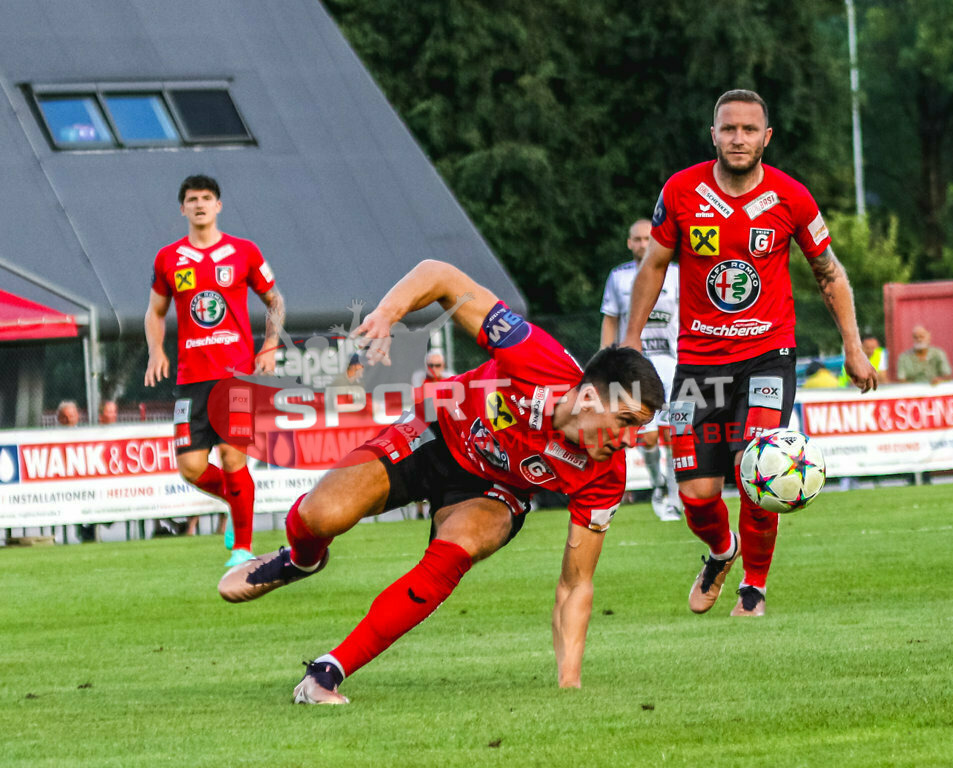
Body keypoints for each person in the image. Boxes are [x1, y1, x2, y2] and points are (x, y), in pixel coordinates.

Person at [218, 259, 664, 704]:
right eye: (625, 420)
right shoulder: (536, 356)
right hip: (434, 431)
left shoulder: (606, 473)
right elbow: (441, 276)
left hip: (495, 490)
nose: (630, 440)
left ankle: (327, 672)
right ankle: (302, 560)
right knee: (320, 515)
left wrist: (571, 687)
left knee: (462, 545)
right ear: (588, 396)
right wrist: (388, 314)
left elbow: (576, 583)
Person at [623, 89, 878, 618]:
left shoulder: (792, 198)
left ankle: (753, 588)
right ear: (712, 133)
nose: (738, 138)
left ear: (766, 137)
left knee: (756, 469)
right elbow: (653, 267)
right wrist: (629, 344)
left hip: (768, 357)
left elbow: (829, 272)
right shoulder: (682, 191)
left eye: (748, 129)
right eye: (728, 128)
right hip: (697, 364)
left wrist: (854, 347)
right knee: (694, 492)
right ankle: (721, 553)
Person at [144, 174, 285, 565]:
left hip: (236, 374)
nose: (200, 204)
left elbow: (275, 302)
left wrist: (270, 346)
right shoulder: (168, 258)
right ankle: (234, 499)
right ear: (183, 208)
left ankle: (242, 548)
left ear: (218, 206)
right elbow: (155, 312)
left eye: (207, 198)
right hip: (192, 377)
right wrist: (156, 350)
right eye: (193, 199)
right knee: (190, 467)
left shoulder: (244, 252)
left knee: (232, 458)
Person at [601, 218, 681, 521]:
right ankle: (657, 482)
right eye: (637, 239)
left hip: (672, 364)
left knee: (674, 435)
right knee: (646, 438)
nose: (643, 244)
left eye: (648, 239)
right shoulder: (618, 277)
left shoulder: (675, 275)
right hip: (634, 367)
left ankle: (672, 497)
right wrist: (606, 361)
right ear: (629, 243)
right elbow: (609, 319)